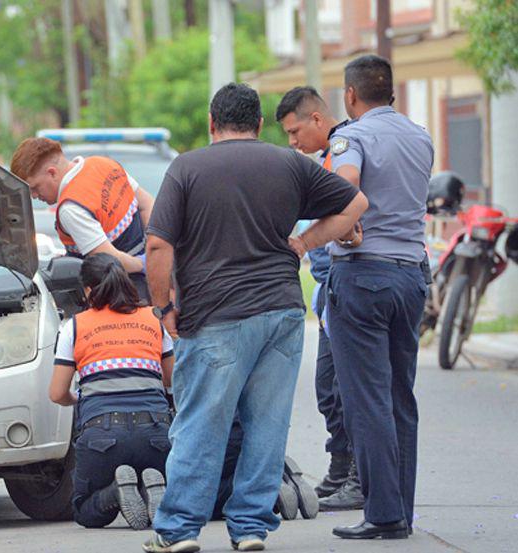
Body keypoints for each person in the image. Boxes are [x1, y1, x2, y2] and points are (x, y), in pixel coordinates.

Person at [142, 83, 368, 553]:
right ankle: (249, 528)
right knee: (266, 424)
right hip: (281, 312)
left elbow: (159, 245)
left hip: (214, 314)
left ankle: (181, 529)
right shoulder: (289, 163)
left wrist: (163, 306)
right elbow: (355, 204)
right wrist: (304, 244)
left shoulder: (187, 167)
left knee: (202, 421)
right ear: (260, 124)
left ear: (211, 123)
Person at [326, 55, 433, 540]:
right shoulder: (419, 135)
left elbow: (345, 184)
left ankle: (382, 514)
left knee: (365, 399)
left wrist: (332, 228)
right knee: (399, 397)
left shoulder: (352, 136)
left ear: (350, 96)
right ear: (390, 91)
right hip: (410, 276)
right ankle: (400, 513)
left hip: (364, 275)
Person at [275, 87, 364, 510]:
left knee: (346, 387)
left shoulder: (344, 151)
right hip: (329, 284)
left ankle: (358, 477)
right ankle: (340, 465)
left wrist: (309, 242)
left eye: (295, 132)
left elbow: (352, 202)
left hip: (347, 279)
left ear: (316, 119)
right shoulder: (323, 160)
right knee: (328, 386)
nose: (293, 142)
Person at [49, 253, 174, 530]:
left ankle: (116, 491)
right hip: (155, 433)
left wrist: (80, 398)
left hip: (102, 436)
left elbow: (57, 393)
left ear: (89, 290)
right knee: (156, 470)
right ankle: (151, 488)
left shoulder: (76, 326)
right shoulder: (153, 320)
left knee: (84, 509)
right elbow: (171, 380)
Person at [10, 138, 155, 298]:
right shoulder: (103, 164)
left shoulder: (71, 207)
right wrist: (153, 251)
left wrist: (145, 263)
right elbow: (147, 204)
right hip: (149, 280)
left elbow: (109, 259)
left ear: (52, 173)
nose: (34, 196)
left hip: (123, 292)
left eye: (34, 188)